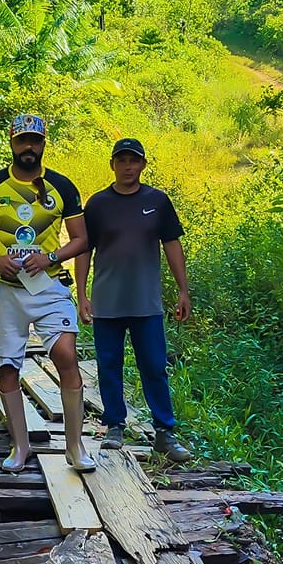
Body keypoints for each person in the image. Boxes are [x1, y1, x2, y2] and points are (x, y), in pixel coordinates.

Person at [0, 113, 96, 474]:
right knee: (7, 367)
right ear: (11, 142)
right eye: (22, 140)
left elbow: (83, 238)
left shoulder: (62, 187)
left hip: (49, 284)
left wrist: (50, 256)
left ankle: (75, 446)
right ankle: (20, 446)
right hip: (5, 290)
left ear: (43, 143)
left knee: (66, 354)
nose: (28, 147)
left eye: (34, 141)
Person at [76, 136, 193, 464]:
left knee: (154, 366)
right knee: (109, 365)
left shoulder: (157, 201)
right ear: (112, 164)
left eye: (134, 161)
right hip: (107, 302)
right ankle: (114, 425)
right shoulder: (98, 204)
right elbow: (84, 249)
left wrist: (183, 290)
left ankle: (164, 433)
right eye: (122, 160)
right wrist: (82, 295)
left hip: (146, 303)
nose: (128, 167)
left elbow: (172, 245)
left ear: (142, 164)